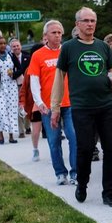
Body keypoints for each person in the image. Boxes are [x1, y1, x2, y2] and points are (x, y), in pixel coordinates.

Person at [51, 7, 112, 207]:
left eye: (93, 20)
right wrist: (55, 107)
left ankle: (109, 192)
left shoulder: (103, 47)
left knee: (110, 149)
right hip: (82, 107)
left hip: (106, 105)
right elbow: (59, 78)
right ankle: (82, 183)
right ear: (78, 24)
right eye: (86, 20)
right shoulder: (68, 48)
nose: (90, 24)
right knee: (85, 148)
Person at [28, 20, 77, 185]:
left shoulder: (68, 51)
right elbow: (34, 80)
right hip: (48, 106)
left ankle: (75, 173)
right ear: (45, 36)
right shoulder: (38, 55)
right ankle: (60, 173)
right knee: (54, 140)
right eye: (54, 33)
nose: (57, 36)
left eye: (60, 33)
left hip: (69, 103)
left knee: (74, 137)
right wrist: (39, 101)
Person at [0, 35, 24, 144]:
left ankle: (11, 136)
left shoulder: (11, 56)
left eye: (4, 43)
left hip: (11, 86)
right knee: (1, 110)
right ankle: (1, 134)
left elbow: (21, 68)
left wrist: (14, 74)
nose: (3, 45)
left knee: (11, 110)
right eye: (0, 43)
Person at [10, 38, 32, 137]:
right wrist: (21, 70)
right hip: (15, 86)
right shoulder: (8, 58)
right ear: (11, 48)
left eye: (17, 45)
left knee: (28, 106)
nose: (16, 48)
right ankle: (21, 131)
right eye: (14, 46)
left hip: (28, 85)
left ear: (20, 46)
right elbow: (11, 75)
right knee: (18, 107)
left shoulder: (28, 56)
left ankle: (27, 126)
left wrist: (18, 71)